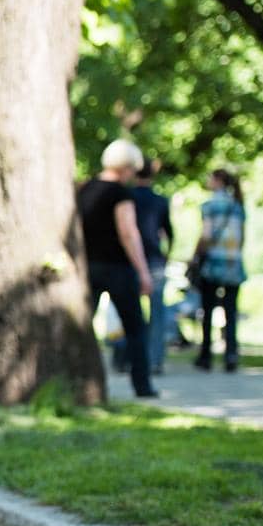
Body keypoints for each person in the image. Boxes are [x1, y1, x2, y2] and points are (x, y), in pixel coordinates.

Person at [77, 139, 157, 398]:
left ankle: (79, 379)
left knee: (82, 325)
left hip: (88, 267)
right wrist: (143, 271)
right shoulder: (121, 193)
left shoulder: (84, 189)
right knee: (135, 328)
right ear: (128, 167)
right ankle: (142, 385)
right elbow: (128, 232)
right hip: (118, 268)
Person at [193, 168, 248, 372]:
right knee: (231, 312)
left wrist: (195, 254)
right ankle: (230, 353)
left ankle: (206, 355)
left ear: (218, 181)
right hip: (233, 263)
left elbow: (206, 235)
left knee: (207, 311)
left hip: (213, 263)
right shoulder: (238, 206)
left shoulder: (210, 206)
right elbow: (242, 237)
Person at [131, 160, 173, 374]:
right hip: (155, 260)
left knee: (130, 311)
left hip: (130, 260)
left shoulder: (128, 197)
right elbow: (169, 233)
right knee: (157, 312)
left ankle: (129, 358)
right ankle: (155, 360)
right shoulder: (160, 201)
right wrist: (167, 255)